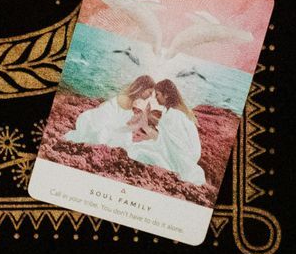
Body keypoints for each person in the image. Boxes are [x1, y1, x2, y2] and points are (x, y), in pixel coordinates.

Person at [64, 74, 207, 185]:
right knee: (135, 146)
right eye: (151, 93)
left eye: (156, 94)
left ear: (167, 95)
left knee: (142, 149)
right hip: (189, 153)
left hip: (185, 154)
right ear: (142, 89)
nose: (154, 98)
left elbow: (170, 142)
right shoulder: (174, 113)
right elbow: (163, 138)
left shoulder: (173, 115)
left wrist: (143, 124)